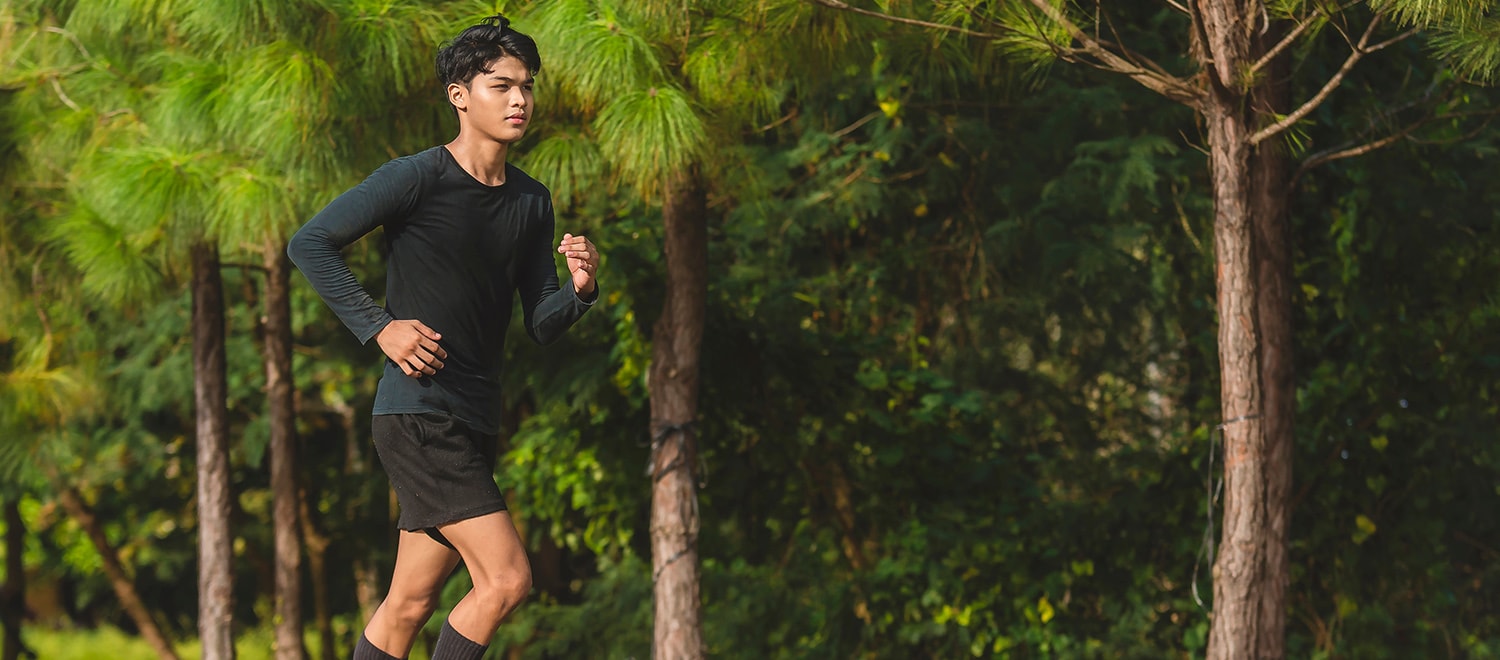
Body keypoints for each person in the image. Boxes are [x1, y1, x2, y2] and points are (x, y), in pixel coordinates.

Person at [287, 14, 598, 660]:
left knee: (409, 604)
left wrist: (580, 290)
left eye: (527, 86)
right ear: (460, 95)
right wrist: (379, 327)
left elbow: (541, 322)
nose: (519, 99)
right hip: (420, 413)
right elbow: (310, 243)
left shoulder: (531, 202)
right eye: (501, 85)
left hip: (476, 417)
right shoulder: (416, 178)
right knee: (506, 580)